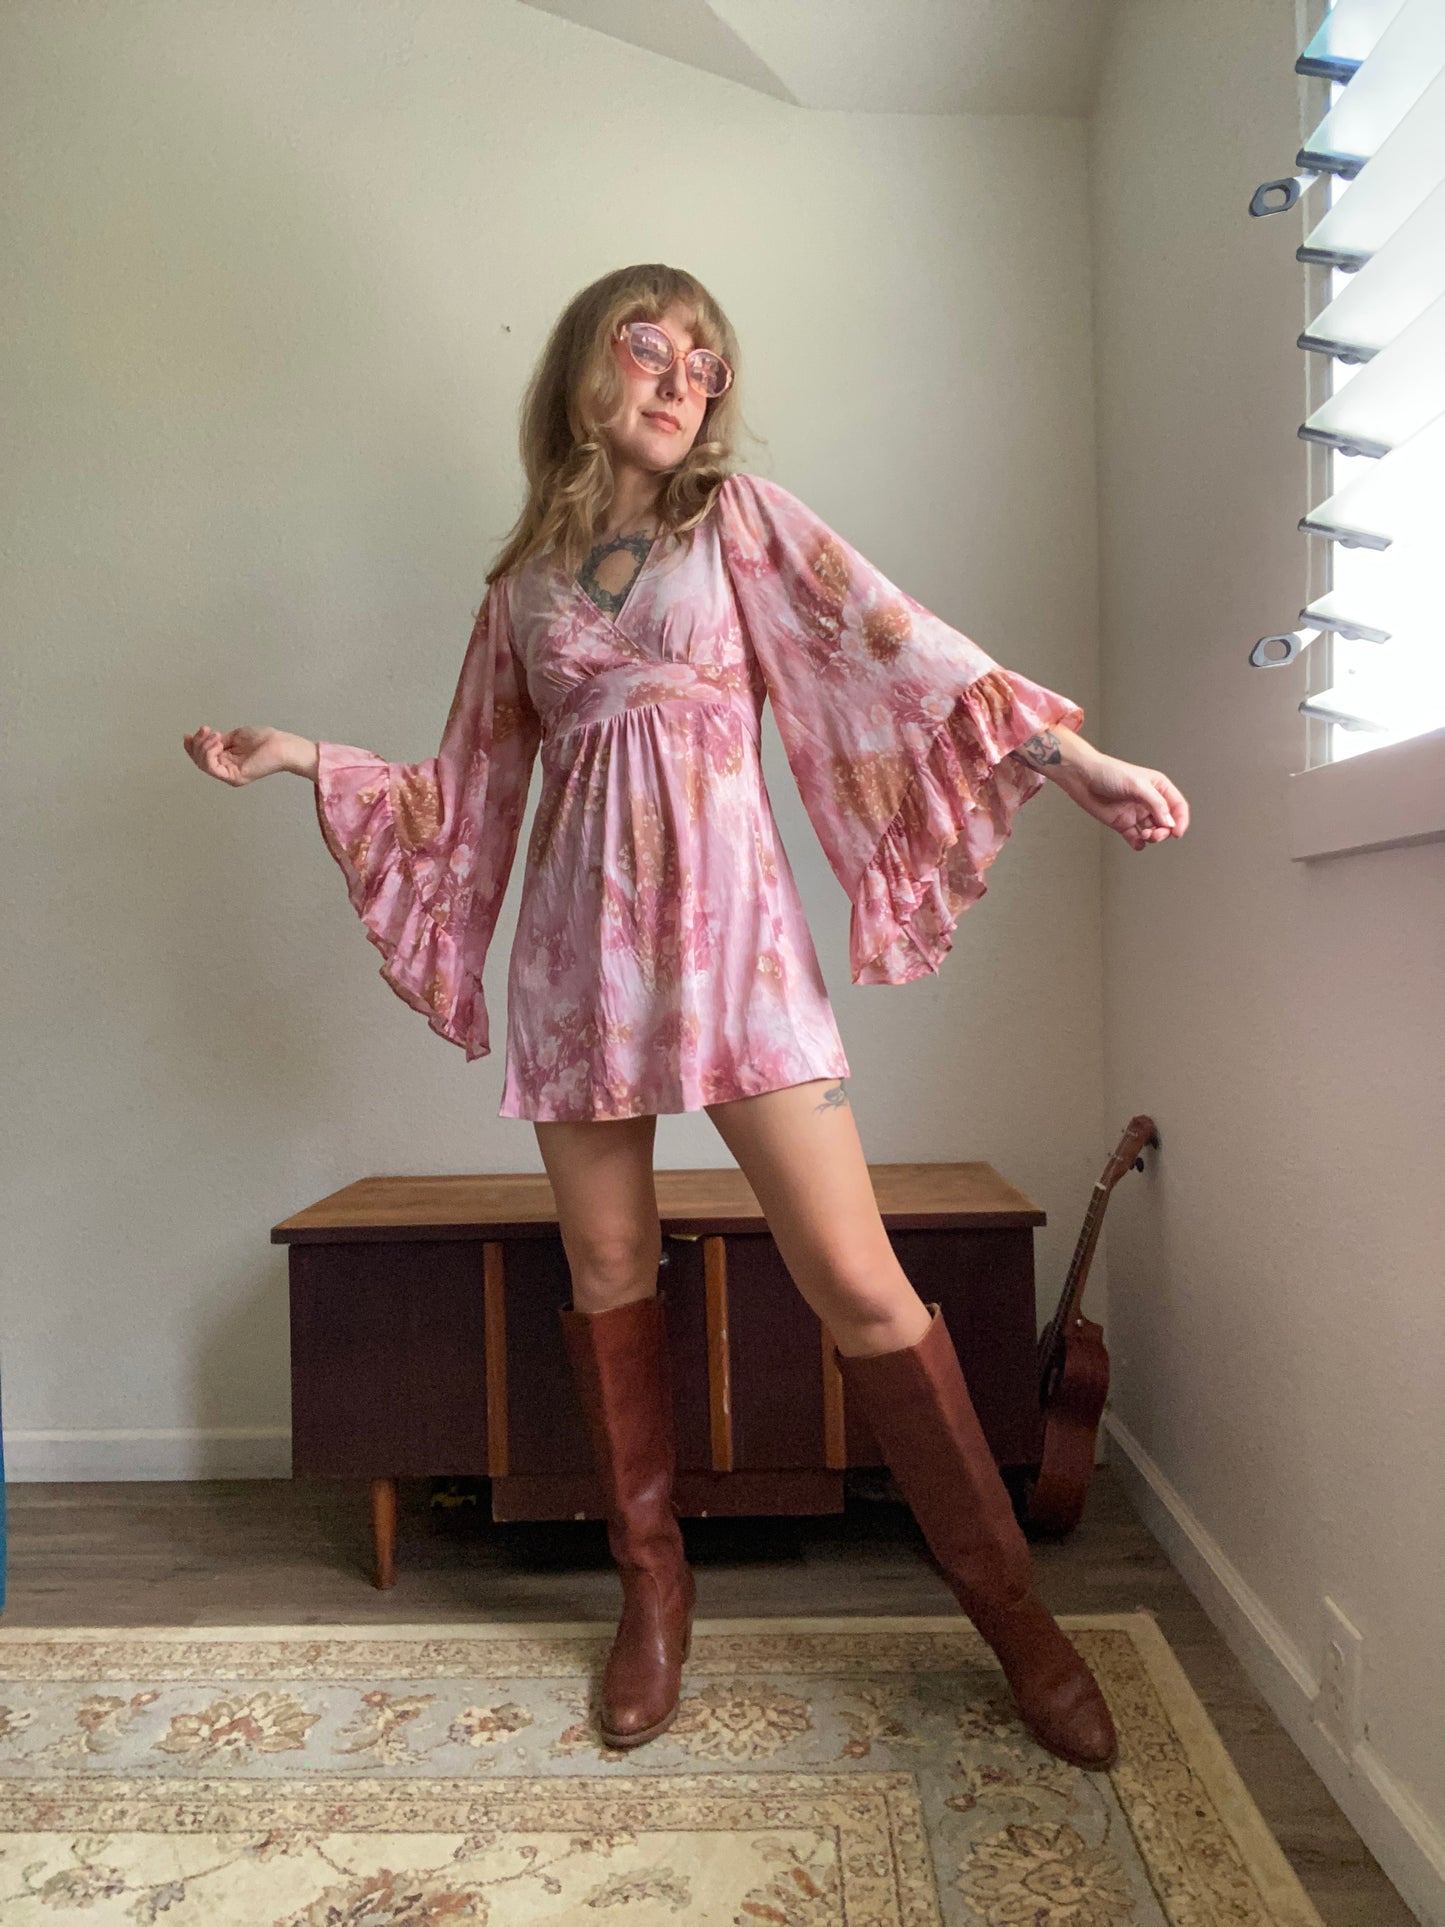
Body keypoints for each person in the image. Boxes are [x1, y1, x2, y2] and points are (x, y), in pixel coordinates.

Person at [184, 262, 1189, 1772]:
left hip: (737, 953)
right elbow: (466, 791)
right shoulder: (519, 591)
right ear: (581, 374)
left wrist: (1080, 763)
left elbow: (904, 649)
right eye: (648, 347)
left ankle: (1014, 1619)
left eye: (705, 363)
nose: (680, 380)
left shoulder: (742, 527)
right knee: (604, 1267)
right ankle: (652, 1588)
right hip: (575, 966)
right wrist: (303, 757)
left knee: (857, 1280)